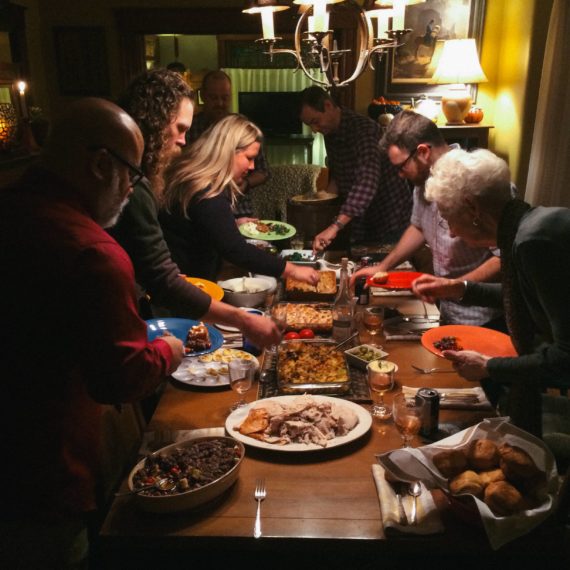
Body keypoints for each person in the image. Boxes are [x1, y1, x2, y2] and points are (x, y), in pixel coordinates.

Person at [0, 98, 185, 567]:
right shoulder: (94, 251)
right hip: (42, 479)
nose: (131, 190)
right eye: (131, 174)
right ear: (102, 164)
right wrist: (168, 349)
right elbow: (119, 379)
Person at [110, 69, 280, 349]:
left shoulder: (133, 178)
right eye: (180, 129)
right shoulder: (132, 185)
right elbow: (161, 279)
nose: (183, 141)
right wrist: (245, 320)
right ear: (155, 122)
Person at [412, 147, 570, 437]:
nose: (453, 233)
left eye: (448, 219)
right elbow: (523, 297)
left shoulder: (533, 243)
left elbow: (564, 360)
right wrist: (459, 289)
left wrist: (490, 367)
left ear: (472, 208)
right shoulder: (527, 226)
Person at [351, 110, 505, 328]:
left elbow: (504, 257)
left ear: (422, 151)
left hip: (483, 317)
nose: (400, 175)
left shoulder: (479, 180)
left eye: (401, 167)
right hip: (447, 311)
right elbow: (419, 227)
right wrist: (383, 267)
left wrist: (455, 286)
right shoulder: (422, 182)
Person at [160, 113, 319, 284]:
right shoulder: (207, 191)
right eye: (249, 158)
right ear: (228, 152)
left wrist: (231, 223)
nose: (252, 167)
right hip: (183, 286)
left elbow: (200, 226)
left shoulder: (196, 180)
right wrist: (292, 270)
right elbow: (236, 250)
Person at [299, 86, 412, 252]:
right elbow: (338, 175)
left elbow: (366, 182)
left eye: (315, 121)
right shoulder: (330, 132)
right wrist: (322, 203)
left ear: (328, 106)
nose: (314, 129)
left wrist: (335, 226)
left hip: (389, 216)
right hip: (361, 219)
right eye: (309, 125)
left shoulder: (364, 131)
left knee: (387, 272)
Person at [186, 69, 268, 223]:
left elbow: (263, 171)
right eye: (214, 98)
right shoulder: (189, 129)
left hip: (239, 210)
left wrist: (245, 183)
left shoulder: (244, 129)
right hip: (200, 210)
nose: (220, 103)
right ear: (202, 96)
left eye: (225, 98)